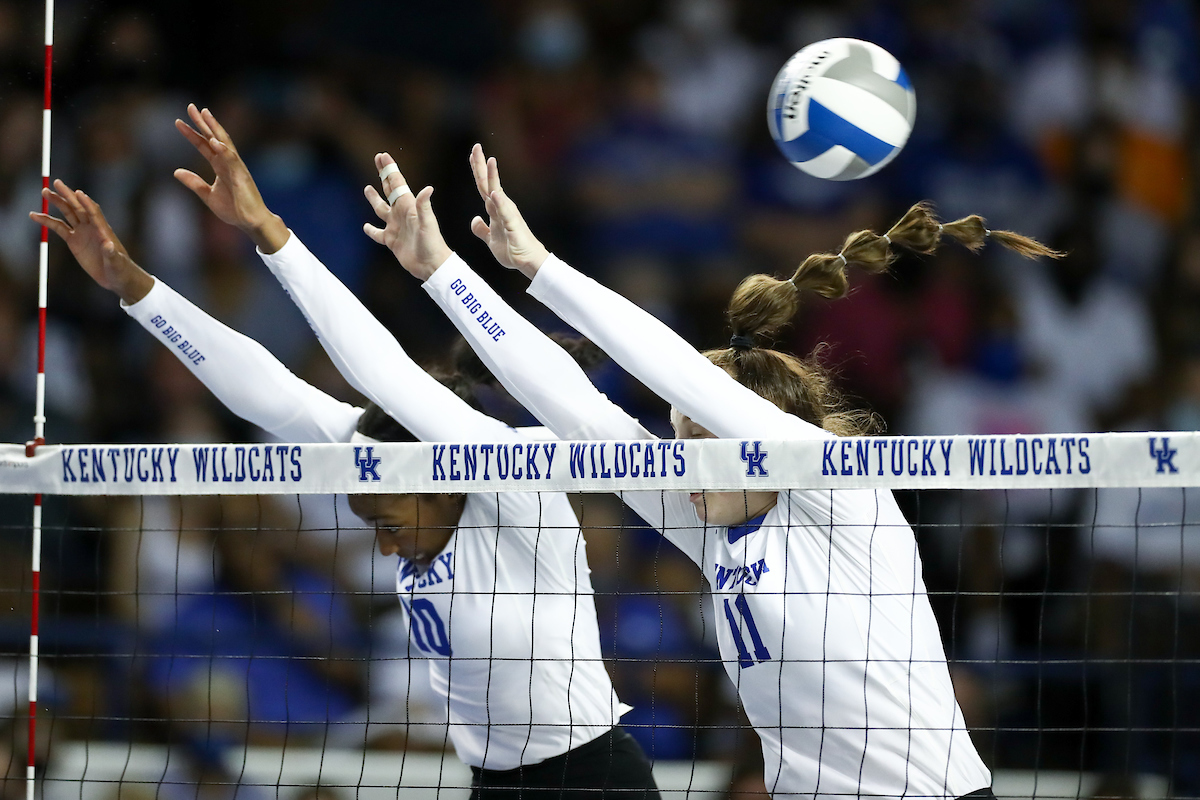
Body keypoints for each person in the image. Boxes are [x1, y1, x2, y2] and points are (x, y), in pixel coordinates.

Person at [364, 143, 1059, 799]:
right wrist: (444, 273)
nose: (682, 459)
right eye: (676, 437)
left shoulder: (836, 489)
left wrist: (540, 266)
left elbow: (677, 371)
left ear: (758, 434)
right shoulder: (714, 528)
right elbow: (578, 410)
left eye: (699, 437)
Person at [30, 105, 660, 800]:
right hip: (493, 784)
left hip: (590, 782)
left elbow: (380, 368)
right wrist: (135, 290)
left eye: (388, 522)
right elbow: (262, 389)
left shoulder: (500, 475)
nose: (384, 547)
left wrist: (268, 231)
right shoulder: (380, 452)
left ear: (441, 482)